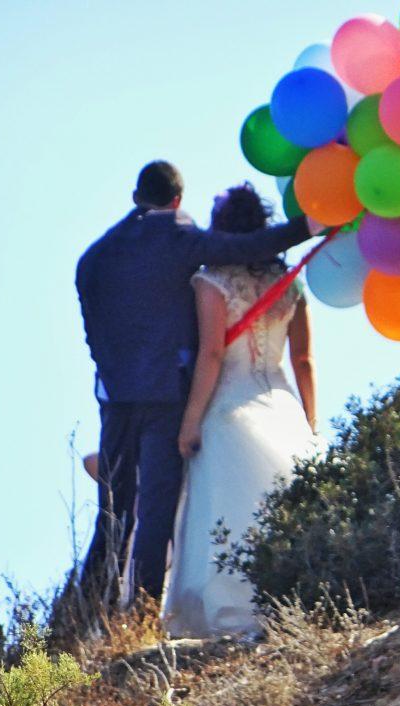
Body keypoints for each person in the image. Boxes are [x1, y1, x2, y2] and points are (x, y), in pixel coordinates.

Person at [76, 161, 322, 605]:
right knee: (156, 507)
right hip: (183, 395)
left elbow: (93, 325)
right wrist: (311, 225)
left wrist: (112, 372)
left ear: (136, 197)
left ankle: (91, 607)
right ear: (177, 201)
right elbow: (300, 354)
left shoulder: (95, 256)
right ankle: (144, 607)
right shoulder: (183, 239)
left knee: (114, 508)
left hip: (120, 395)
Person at [163, 184, 321, 638]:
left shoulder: (210, 283)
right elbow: (303, 361)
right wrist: (310, 422)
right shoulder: (291, 285)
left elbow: (212, 354)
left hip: (229, 407)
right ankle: (292, 603)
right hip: (282, 405)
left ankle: (227, 617)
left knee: (226, 511)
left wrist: (191, 420)